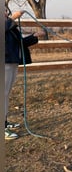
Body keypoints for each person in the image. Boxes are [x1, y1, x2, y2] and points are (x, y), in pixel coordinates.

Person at [5, 10, 44, 140]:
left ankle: (4, 123)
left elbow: (20, 43)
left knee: (5, 94)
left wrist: (35, 36)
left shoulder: (9, 27)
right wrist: (12, 18)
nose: (5, 12)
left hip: (11, 62)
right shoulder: (7, 24)